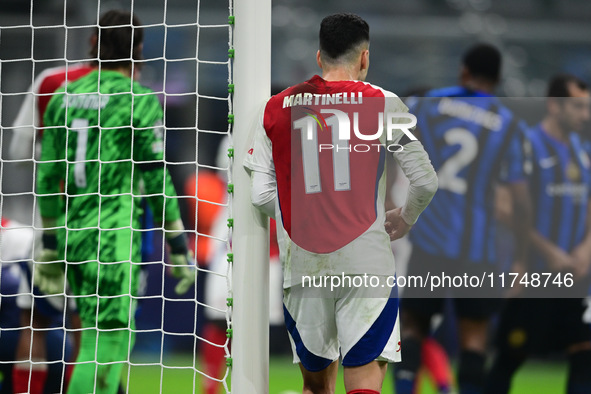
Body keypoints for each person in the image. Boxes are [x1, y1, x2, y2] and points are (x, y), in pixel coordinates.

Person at [245, 13, 438, 394]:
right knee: (364, 382)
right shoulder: (383, 103)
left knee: (317, 387)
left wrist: (301, 218)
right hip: (366, 263)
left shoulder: (276, 107)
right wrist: (406, 217)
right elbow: (426, 181)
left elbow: (259, 194)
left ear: (319, 57)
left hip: (303, 264)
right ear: (364, 58)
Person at [35, 9, 194, 394]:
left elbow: (46, 176)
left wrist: (52, 244)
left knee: (90, 339)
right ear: (138, 50)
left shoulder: (63, 96)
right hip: (114, 240)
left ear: (93, 44)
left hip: (75, 238)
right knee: (104, 348)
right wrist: (176, 245)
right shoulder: (138, 100)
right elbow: (158, 180)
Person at [393, 43, 532, 394]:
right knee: (474, 339)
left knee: (412, 329)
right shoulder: (510, 124)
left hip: (430, 243)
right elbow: (521, 199)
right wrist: (521, 257)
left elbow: (394, 151)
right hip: (479, 251)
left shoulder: (428, 105)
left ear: (464, 71)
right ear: (498, 79)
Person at [485, 74, 591, 394]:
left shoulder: (583, 152)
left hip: (577, 277)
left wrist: (586, 249)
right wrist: (548, 251)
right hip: (535, 274)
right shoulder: (526, 146)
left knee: (585, 353)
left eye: (588, 108)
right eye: (578, 107)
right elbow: (503, 208)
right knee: (511, 356)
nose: (585, 115)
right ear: (554, 106)